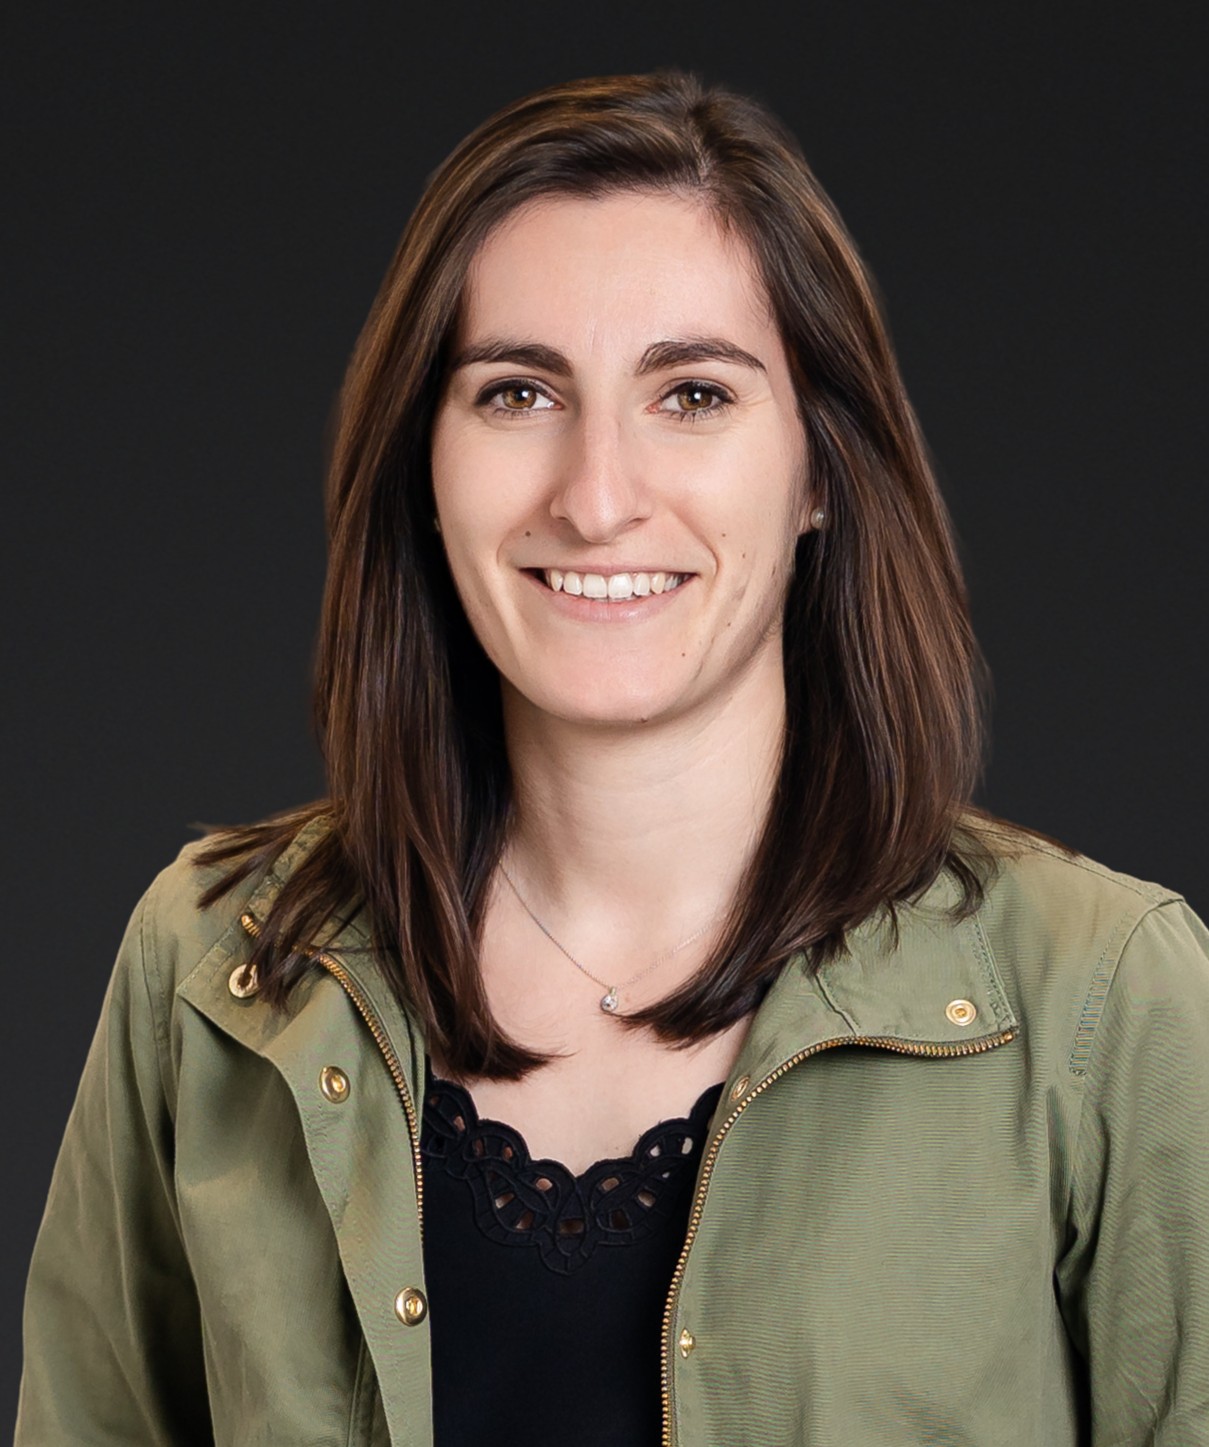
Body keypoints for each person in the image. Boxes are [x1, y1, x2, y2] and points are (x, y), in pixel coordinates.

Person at [16, 68, 1209, 1447]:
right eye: (517, 392)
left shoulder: (1103, 1003)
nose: (594, 497)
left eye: (692, 394)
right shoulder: (215, 970)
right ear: (423, 459)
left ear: (819, 469)